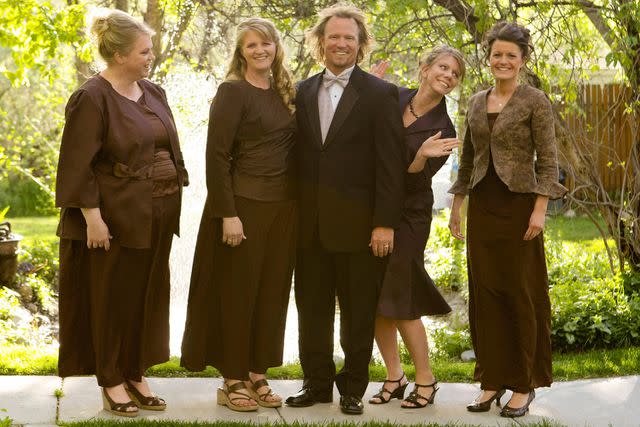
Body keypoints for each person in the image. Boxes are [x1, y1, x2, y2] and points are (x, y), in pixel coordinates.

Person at [56, 9, 188, 417]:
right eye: (144, 51)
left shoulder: (153, 92)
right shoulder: (92, 97)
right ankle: (111, 379)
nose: (151, 56)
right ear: (119, 56)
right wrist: (93, 217)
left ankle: (135, 371)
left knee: (145, 296)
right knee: (111, 298)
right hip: (113, 217)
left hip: (158, 212)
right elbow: (78, 163)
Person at [285, 4, 406, 415]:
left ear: (361, 44)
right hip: (310, 228)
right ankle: (316, 384)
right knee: (312, 311)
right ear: (321, 42)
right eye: (334, 37)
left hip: (361, 228)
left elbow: (391, 166)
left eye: (349, 38)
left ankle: (353, 386)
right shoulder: (300, 92)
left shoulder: (381, 94)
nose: (341, 44)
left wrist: (384, 224)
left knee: (357, 313)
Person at [448, 22, 566, 418]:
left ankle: (523, 383)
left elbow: (548, 161)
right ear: (489, 57)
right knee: (485, 294)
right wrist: (456, 204)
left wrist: (539, 208)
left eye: (510, 56)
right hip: (482, 205)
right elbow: (467, 159)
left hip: (519, 208)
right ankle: (491, 381)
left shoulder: (535, 100)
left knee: (521, 293)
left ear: (522, 60)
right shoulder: (477, 101)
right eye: (497, 54)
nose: (503, 61)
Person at [180, 18, 297, 412]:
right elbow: (216, 156)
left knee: (271, 293)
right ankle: (232, 378)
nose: (260, 50)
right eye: (251, 46)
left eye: (266, 43)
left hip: (284, 210)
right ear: (241, 52)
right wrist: (227, 214)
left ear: (277, 46)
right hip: (243, 206)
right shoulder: (232, 91)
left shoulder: (286, 91)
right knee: (239, 294)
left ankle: (258, 373)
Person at [367, 46, 464, 409]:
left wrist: (421, 156)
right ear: (424, 69)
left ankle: (426, 378)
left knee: (402, 296)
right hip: (375, 211)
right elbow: (361, 132)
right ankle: (395, 375)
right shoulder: (391, 98)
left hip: (409, 215)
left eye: (455, 74)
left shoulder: (445, 128)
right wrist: (367, 89)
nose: (448, 76)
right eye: (443, 67)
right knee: (376, 298)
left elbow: (413, 183)